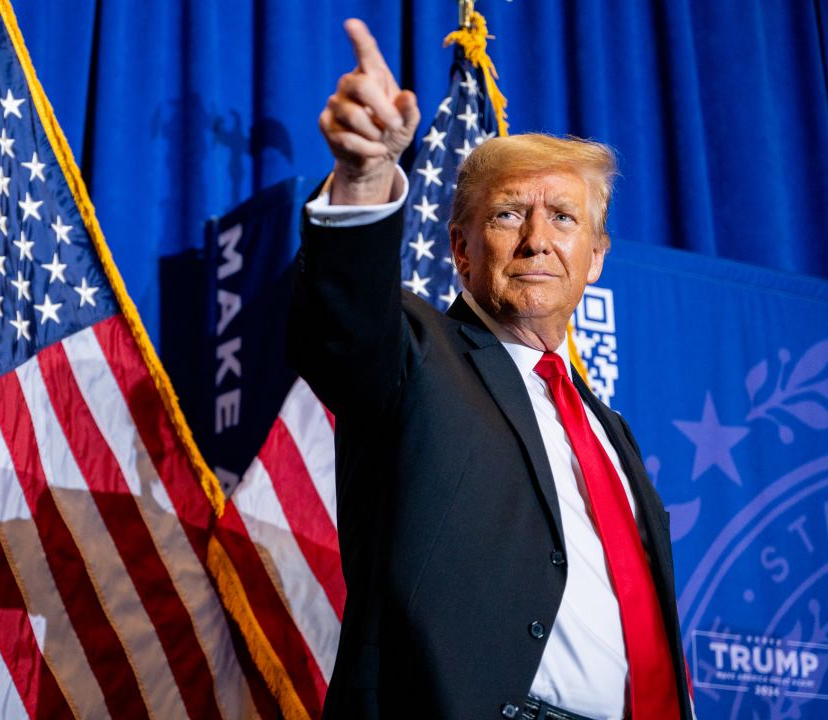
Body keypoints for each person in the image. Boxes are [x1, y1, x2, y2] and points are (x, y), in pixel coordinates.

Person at [288, 18, 693, 720]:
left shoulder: (609, 431)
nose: (538, 240)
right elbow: (342, 328)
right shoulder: (418, 356)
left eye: (564, 218)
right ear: (461, 249)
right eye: (509, 214)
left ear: (595, 258)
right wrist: (365, 176)